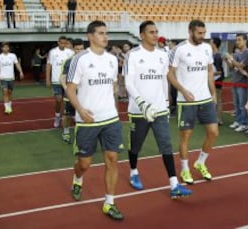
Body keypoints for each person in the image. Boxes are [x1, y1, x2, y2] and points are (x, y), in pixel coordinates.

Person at [124, 20, 192, 198]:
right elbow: (128, 82)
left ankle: (174, 185)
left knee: (166, 145)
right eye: (151, 32)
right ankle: (133, 172)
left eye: (156, 32)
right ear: (142, 35)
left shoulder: (163, 54)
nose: (155, 35)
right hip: (139, 110)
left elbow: (164, 78)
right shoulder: (132, 55)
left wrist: (166, 99)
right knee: (136, 146)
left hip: (160, 109)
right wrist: (141, 102)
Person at [66, 20, 124, 220]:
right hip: (87, 121)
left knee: (112, 160)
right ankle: (77, 178)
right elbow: (70, 88)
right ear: (90, 36)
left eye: (106, 33)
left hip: (110, 119)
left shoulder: (112, 59)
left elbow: (113, 87)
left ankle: (109, 202)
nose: (105, 37)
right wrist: (80, 110)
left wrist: (115, 110)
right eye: (100, 33)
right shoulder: (80, 59)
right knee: (84, 163)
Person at [168, 19, 218, 184]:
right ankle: (185, 169)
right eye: (199, 33)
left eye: (204, 33)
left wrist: (213, 93)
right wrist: (182, 91)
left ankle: (200, 162)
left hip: (205, 99)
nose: (202, 36)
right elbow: (170, 74)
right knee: (185, 137)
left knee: (213, 132)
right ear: (190, 31)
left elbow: (209, 71)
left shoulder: (207, 48)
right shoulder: (179, 49)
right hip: (186, 101)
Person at [224, 34, 248, 132]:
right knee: (236, 104)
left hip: (243, 82)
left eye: (239, 40)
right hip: (235, 81)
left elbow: (240, 65)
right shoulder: (236, 53)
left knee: (242, 104)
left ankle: (245, 123)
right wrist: (227, 60)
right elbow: (232, 67)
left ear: (245, 41)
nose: (237, 42)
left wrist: (230, 59)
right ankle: (238, 121)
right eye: (236, 40)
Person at [60, 39, 84, 144]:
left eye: (81, 49)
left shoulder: (89, 60)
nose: (79, 51)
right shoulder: (69, 61)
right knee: (68, 115)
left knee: (83, 114)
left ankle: (82, 134)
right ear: (73, 49)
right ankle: (66, 131)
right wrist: (67, 89)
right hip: (71, 93)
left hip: (85, 94)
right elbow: (62, 77)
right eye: (77, 49)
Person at [46, 36, 74, 128]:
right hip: (56, 81)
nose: (63, 44)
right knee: (58, 100)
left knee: (68, 101)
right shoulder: (53, 52)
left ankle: (69, 117)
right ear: (58, 42)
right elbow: (49, 65)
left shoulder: (70, 52)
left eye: (64, 43)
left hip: (67, 81)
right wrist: (47, 79)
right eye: (61, 42)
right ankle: (57, 117)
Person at [0, 42, 24, 114]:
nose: (6, 48)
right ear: (2, 48)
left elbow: (17, 64)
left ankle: (9, 105)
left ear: (9, 48)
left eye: (7, 47)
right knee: (5, 93)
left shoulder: (13, 56)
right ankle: (7, 108)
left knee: (10, 93)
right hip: (3, 78)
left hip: (11, 78)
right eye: (4, 47)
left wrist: (21, 72)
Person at [210, 37, 225, 125]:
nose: (209, 44)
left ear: (214, 44)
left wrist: (209, 74)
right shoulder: (212, 55)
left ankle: (218, 119)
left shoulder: (217, 56)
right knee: (213, 100)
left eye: (211, 42)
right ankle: (214, 118)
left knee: (217, 100)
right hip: (212, 80)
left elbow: (219, 71)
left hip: (217, 81)